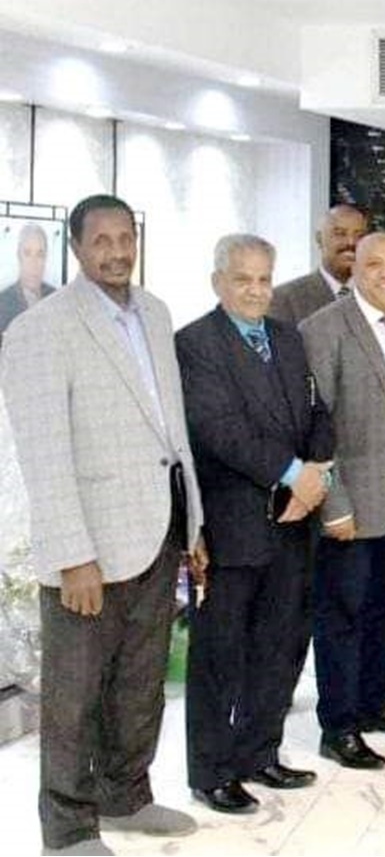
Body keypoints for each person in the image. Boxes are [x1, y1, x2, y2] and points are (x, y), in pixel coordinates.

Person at [2, 193, 204, 855]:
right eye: (102, 241)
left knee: (140, 682)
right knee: (75, 693)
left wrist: (193, 524)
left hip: (158, 531)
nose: (117, 252)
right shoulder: (41, 328)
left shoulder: (156, 312)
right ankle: (66, 829)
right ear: (77, 248)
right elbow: (44, 453)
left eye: (125, 239)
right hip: (88, 545)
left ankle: (125, 795)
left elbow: (171, 430)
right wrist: (72, 555)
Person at [174, 234, 334, 814]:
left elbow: (318, 413)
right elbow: (221, 430)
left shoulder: (287, 337)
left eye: (264, 278)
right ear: (218, 282)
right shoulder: (194, 343)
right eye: (243, 279)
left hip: (293, 522)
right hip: (233, 526)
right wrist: (294, 475)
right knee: (221, 654)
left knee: (281, 645)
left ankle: (258, 753)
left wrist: (316, 474)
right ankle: (212, 772)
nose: (256, 290)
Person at [274, 203, 385, 704]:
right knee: (344, 614)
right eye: (374, 264)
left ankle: (377, 705)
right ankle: (342, 724)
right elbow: (316, 426)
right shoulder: (325, 328)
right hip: (353, 501)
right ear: (356, 271)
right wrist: (335, 504)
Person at [270, 203, 365, 326]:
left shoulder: (378, 296)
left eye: (359, 235)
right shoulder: (284, 299)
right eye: (340, 233)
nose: (351, 242)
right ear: (319, 239)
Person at [0, 222, 56, 334]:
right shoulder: (3, 303)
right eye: (27, 253)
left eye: (40, 254)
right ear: (19, 256)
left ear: (46, 258)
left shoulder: (56, 299)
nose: (33, 263)